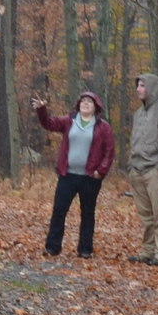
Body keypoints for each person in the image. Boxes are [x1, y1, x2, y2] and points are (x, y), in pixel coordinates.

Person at [30, 90, 115, 257]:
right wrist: (42, 110)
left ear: (95, 107)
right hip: (67, 175)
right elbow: (49, 123)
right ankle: (52, 247)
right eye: (82, 101)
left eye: (89, 102)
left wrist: (101, 171)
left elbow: (109, 151)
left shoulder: (103, 127)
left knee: (88, 212)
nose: (85, 104)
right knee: (59, 210)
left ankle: (85, 249)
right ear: (78, 105)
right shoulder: (69, 121)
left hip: (90, 177)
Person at [127, 72, 158, 265]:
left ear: (152, 88)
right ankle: (148, 251)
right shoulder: (138, 114)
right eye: (138, 85)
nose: (139, 89)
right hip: (137, 170)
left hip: (156, 171)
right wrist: (131, 166)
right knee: (146, 215)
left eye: (142, 85)